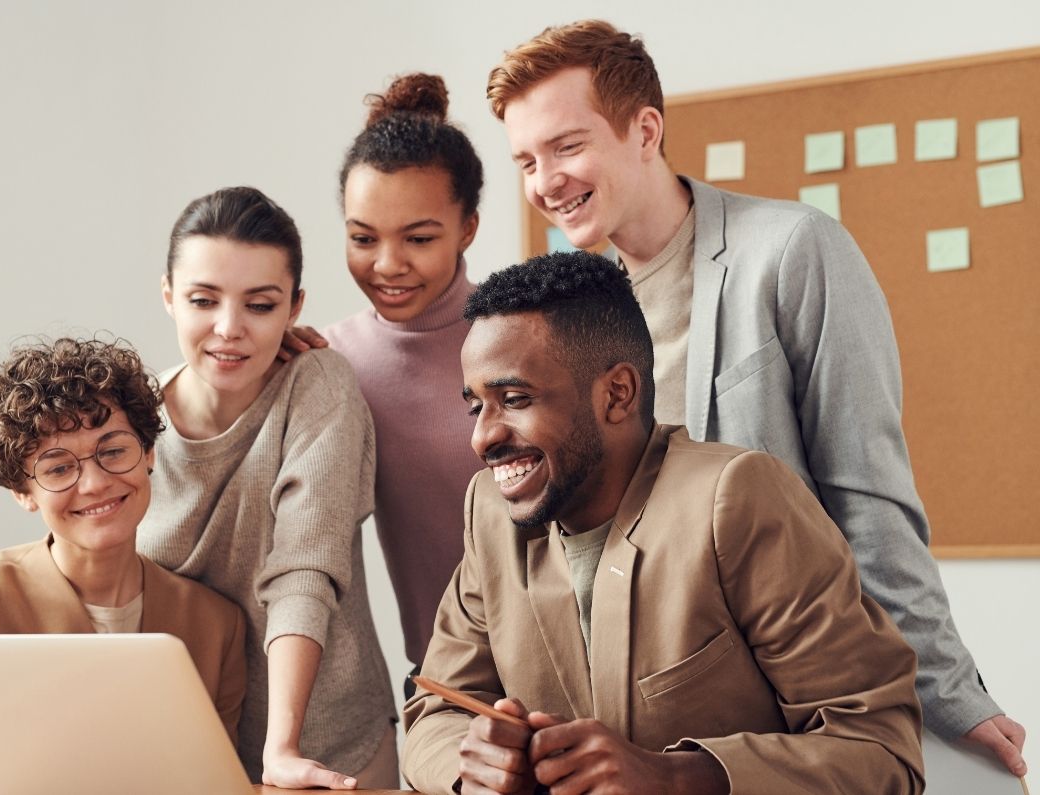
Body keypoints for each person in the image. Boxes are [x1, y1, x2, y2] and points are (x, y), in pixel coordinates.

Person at [485, 19, 1026, 775]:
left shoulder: (792, 251)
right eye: (526, 160)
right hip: (649, 723)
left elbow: (868, 495)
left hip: (795, 705)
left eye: (567, 146)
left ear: (646, 130)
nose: (545, 182)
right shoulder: (575, 316)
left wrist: (948, 692)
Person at [403, 251, 925, 794]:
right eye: (476, 407)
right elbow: (435, 711)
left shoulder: (736, 499)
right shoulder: (491, 511)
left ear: (617, 394)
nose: (482, 437)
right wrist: (474, 767)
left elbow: (880, 751)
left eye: (514, 399)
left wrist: (673, 777)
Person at [0, 337, 247, 795]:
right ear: (22, 492)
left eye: (113, 451)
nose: (95, 483)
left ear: (149, 453)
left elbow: (215, 781)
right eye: (58, 468)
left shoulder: (216, 624)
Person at [136, 187, 397, 789]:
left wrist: (282, 749)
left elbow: (304, 567)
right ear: (169, 296)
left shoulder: (317, 386)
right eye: (204, 300)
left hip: (324, 748)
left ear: (294, 307)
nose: (229, 329)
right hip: (184, 752)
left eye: (259, 305)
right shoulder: (132, 419)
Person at [287, 73, 486, 697]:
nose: (388, 265)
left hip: (578, 670)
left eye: (419, 239)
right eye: (362, 238)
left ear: (468, 228)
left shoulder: (525, 335)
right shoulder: (329, 361)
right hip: (444, 686)